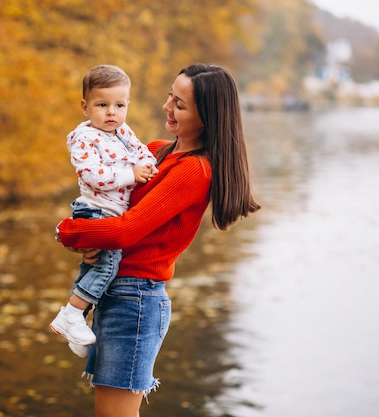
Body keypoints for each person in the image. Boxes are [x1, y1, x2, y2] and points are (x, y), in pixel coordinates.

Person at [54, 63, 260, 417]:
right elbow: (104, 205)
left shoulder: (194, 170)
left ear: (206, 118)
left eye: (179, 104)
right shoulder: (155, 152)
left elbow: (125, 231)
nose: (167, 107)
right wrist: (86, 241)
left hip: (135, 299)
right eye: (170, 96)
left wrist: (66, 231)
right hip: (111, 289)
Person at [50, 64, 158, 353]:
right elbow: (93, 175)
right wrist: (131, 175)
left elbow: (141, 150)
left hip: (112, 211)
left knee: (94, 265)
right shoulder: (83, 138)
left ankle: (77, 324)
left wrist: (148, 165)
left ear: (127, 105)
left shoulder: (122, 131)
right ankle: (71, 314)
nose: (111, 112)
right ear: (85, 107)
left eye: (119, 105)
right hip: (95, 210)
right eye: (102, 105)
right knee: (109, 263)